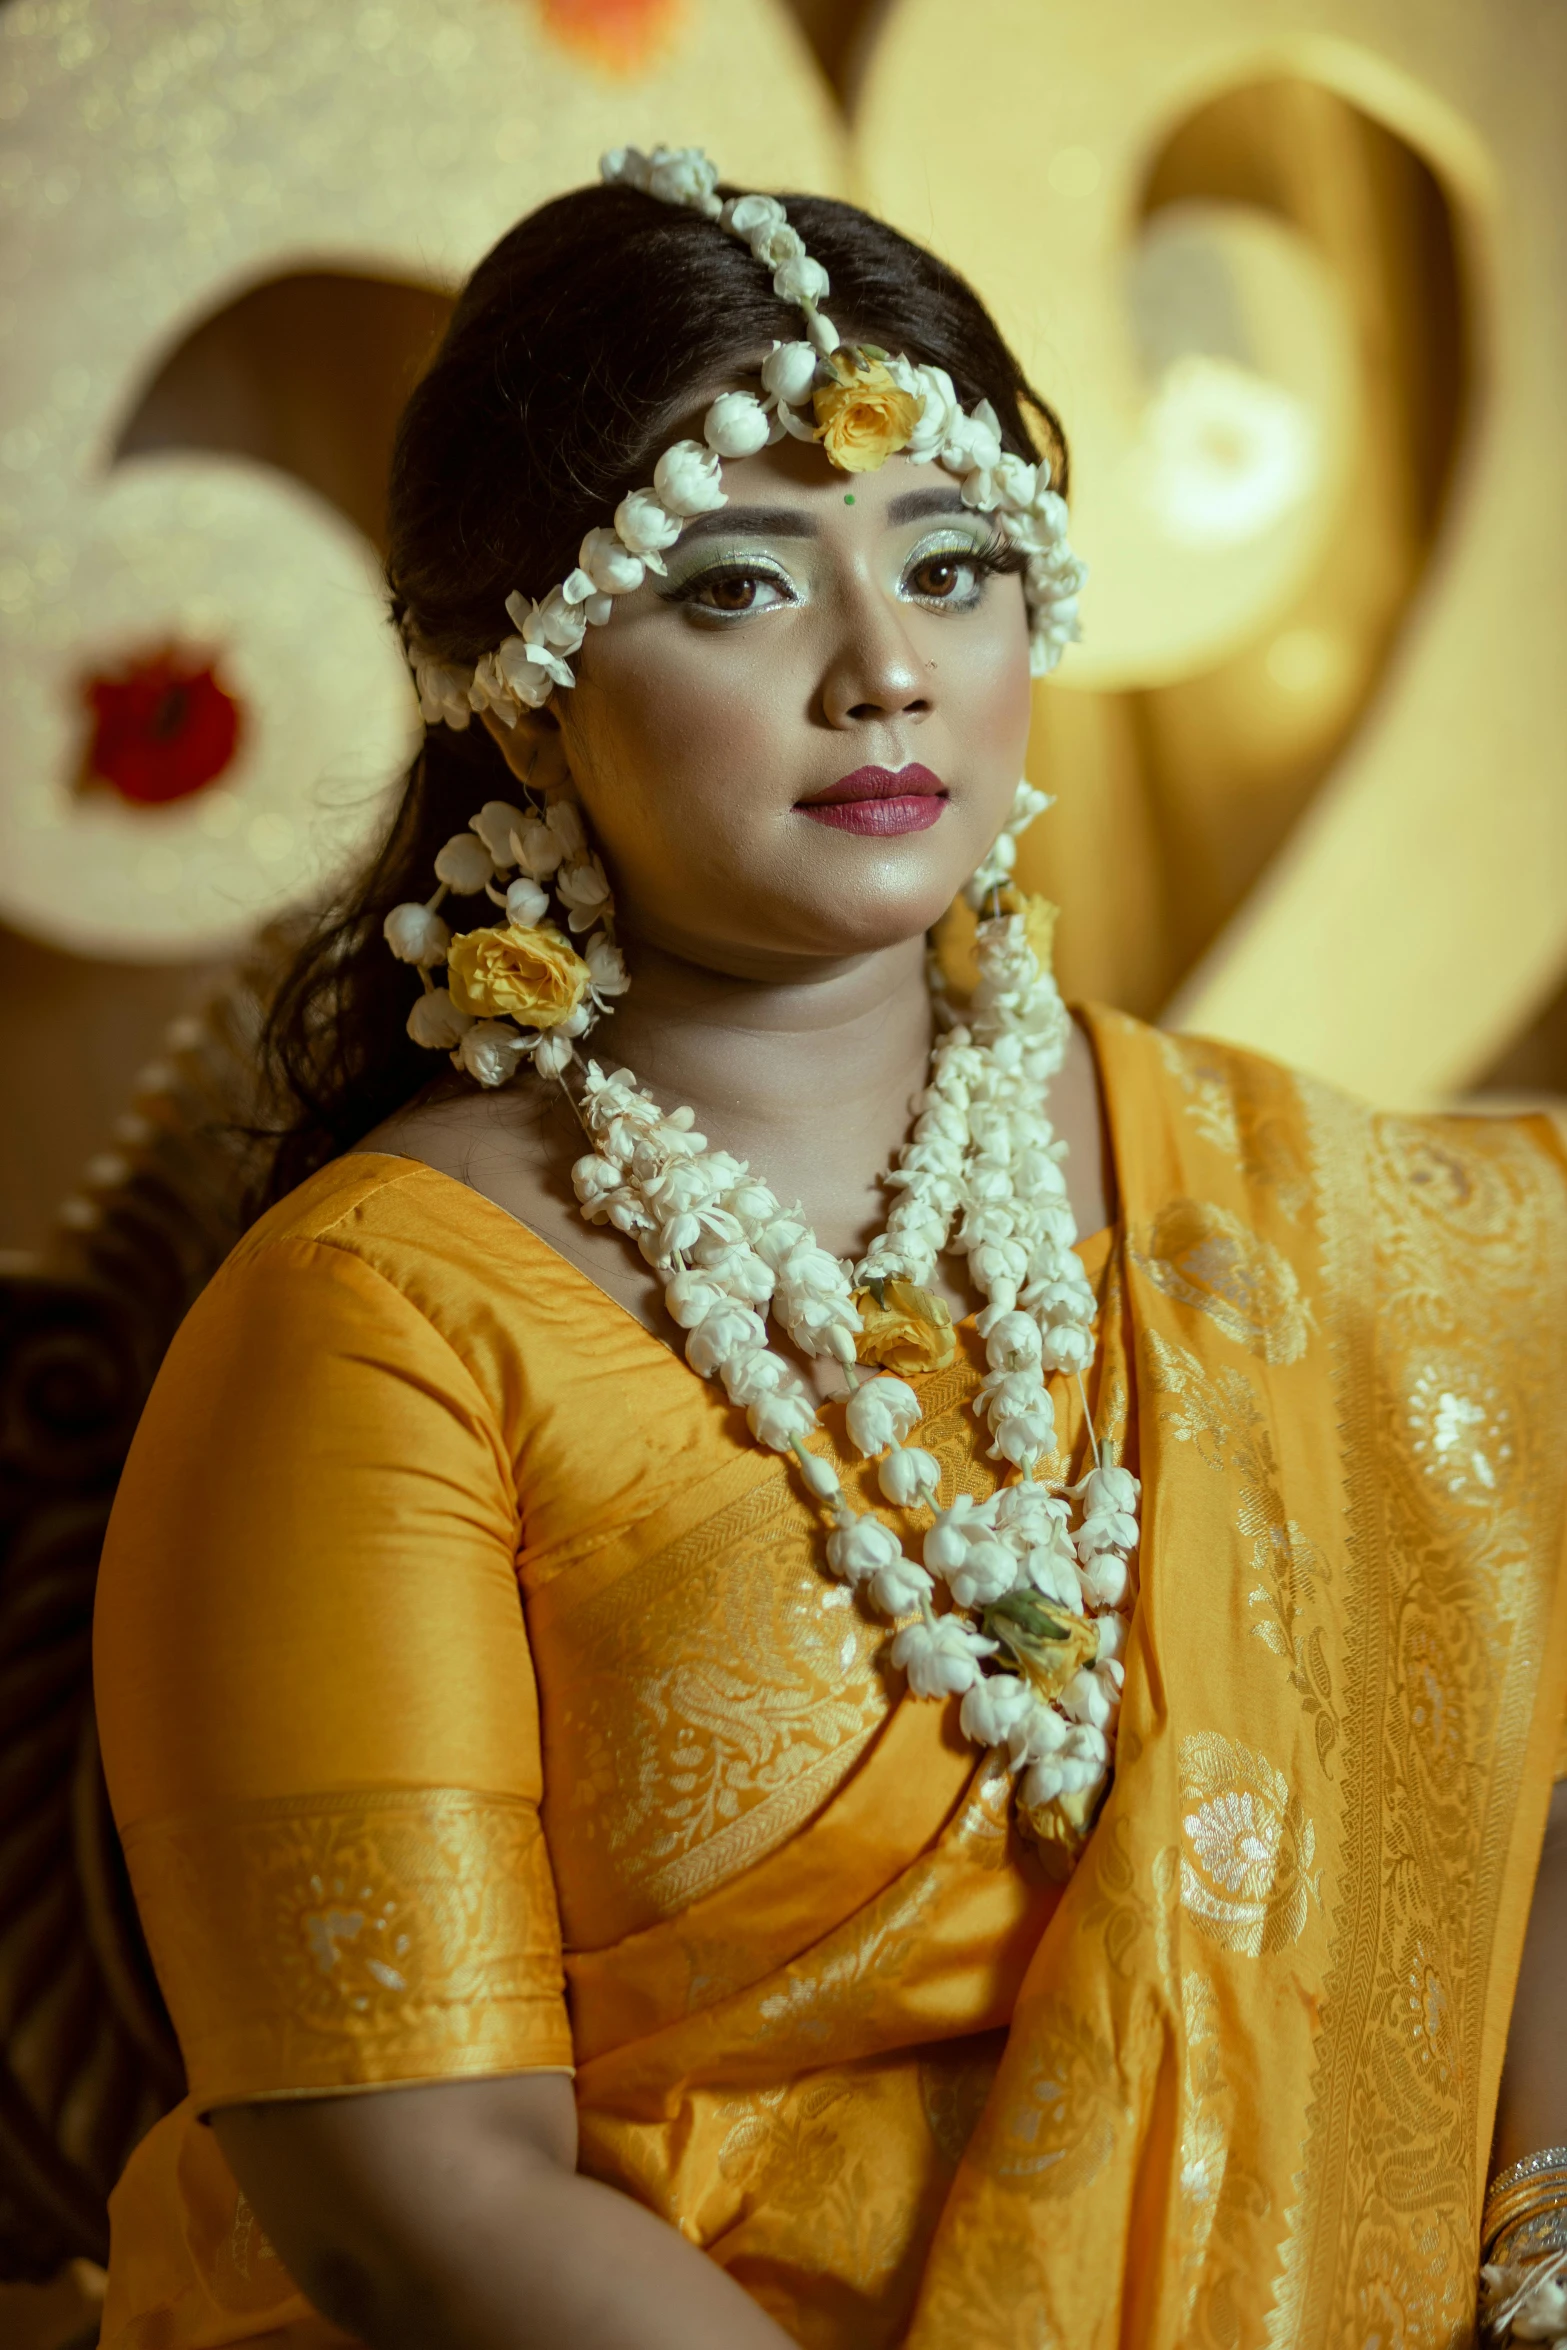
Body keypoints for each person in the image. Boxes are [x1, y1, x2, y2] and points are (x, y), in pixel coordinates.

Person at [93, 150, 1567, 2350]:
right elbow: (423, 2196)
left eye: (954, 564)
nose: (884, 670)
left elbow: (1528, 1792)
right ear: (514, 674)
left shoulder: (1323, 1215)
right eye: (741, 588)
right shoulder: (384, 1329)